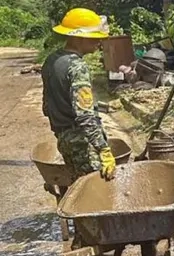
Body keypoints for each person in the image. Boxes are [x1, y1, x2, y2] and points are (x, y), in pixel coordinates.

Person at [42, 8, 115, 182]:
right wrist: (103, 149)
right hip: (82, 143)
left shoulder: (51, 60)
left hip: (64, 138)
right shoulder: (77, 67)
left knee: (78, 186)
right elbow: (85, 116)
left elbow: (46, 106)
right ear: (78, 38)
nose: (99, 42)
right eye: (95, 37)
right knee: (95, 193)